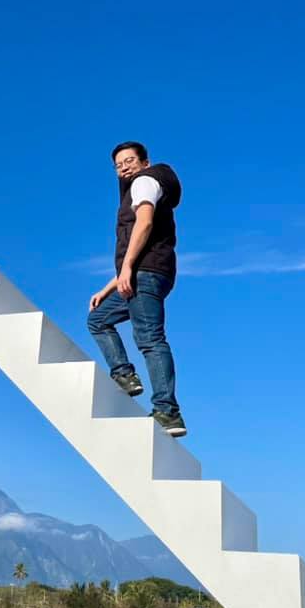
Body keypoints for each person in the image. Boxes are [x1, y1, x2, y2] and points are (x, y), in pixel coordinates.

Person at [87, 141, 186, 437]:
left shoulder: (144, 182)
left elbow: (143, 224)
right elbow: (142, 243)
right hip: (148, 272)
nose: (124, 167)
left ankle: (167, 412)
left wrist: (127, 268)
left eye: (129, 160)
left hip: (145, 274)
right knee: (98, 319)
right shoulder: (144, 185)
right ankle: (125, 376)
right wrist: (110, 285)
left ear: (144, 162)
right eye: (118, 165)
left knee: (150, 339)